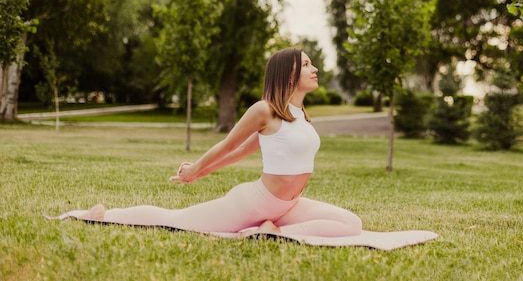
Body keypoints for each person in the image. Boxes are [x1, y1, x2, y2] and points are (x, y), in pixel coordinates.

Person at [58, 47, 362, 238]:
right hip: (255, 201)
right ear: (289, 73)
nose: (315, 69)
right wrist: (197, 170)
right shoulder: (265, 110)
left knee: (351, 224)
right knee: (175, 220)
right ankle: (102, 215)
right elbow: (232, 146)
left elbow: (247, 151)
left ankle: (274, 232)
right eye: (307, 64)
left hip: (288, 206)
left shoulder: (300, 114)